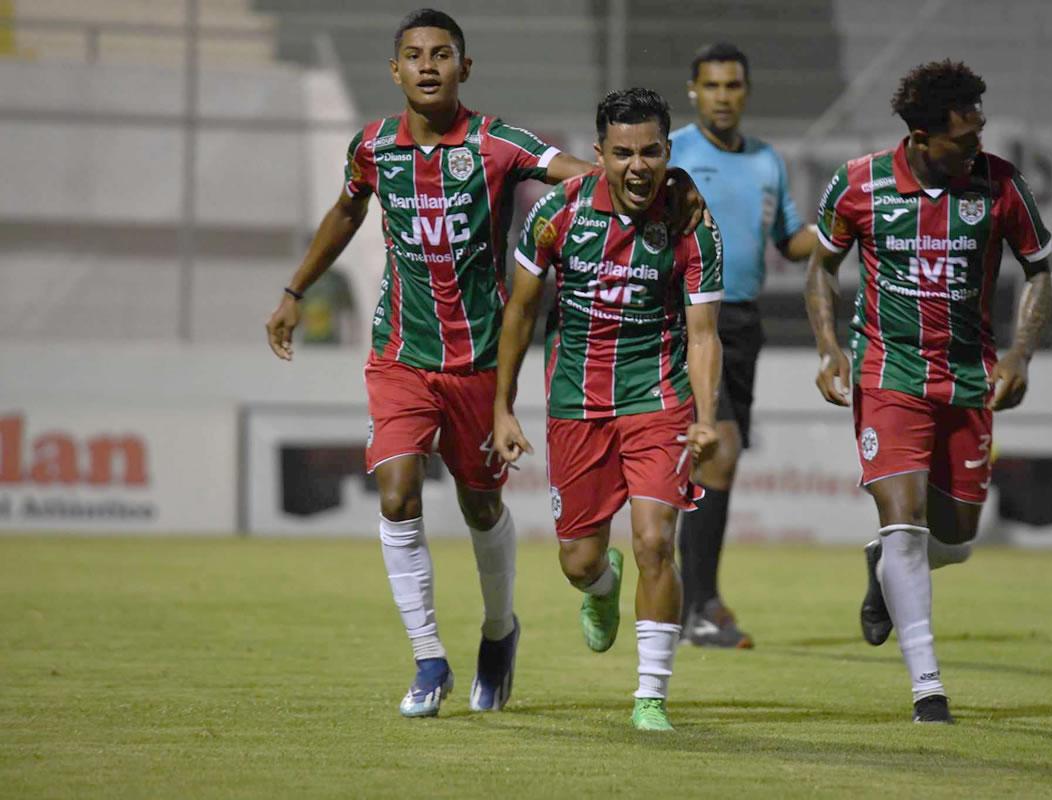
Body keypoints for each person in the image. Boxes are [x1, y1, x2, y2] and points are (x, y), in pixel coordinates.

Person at [264, 9, 705, 719]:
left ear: (464, 68)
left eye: (443, 54)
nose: (429, 65)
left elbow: (585, 173)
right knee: (398, 492)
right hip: (400, 354)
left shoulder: (496, 142)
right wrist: (295, 289)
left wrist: (667, 182)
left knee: (481, 504)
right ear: (395, 70)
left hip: (476, 361)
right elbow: (346, 213)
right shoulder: (372, 147)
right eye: (415, 55)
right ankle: (429, 658)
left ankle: (499, 632)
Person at [804, 60, 1052, 723]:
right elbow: (821, 268)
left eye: (979, 134)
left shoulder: (1001, 184)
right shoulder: (858, 184)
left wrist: (1022, 354)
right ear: (921, 135)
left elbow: (1042, 273)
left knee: (957, 536)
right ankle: (929, 689)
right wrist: (830, 348)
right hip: (887, 372)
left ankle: (882, 571)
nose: (977, 149)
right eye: (964, 140)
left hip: (970, 377)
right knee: (906, 525)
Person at [493, 88, 723, 732]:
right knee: (580, 564)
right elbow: (520, 311)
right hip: (577, 407)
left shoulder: (690, 223)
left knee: (656, 543)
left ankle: (650, 697)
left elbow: (704, 334)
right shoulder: (556, 215)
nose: (638, 166)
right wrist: (502, 407)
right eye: (623, 153)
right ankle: (601, 587)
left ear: (668, 152)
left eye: (651, 151)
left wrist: (705, 415)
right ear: (600, 155)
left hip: (659, 403)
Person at [668, 42, 817, 648]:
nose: (723, 97)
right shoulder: (672, 150)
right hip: (685, 318)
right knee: (718, 451)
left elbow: (790, 241)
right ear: (693, 90)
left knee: (720, 461)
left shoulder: (766, 161)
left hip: (744, 323)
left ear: (746, 92)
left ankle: (699, 598)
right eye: (712, 86)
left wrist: (845, 227)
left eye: (733, 86)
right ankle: (695, 607)